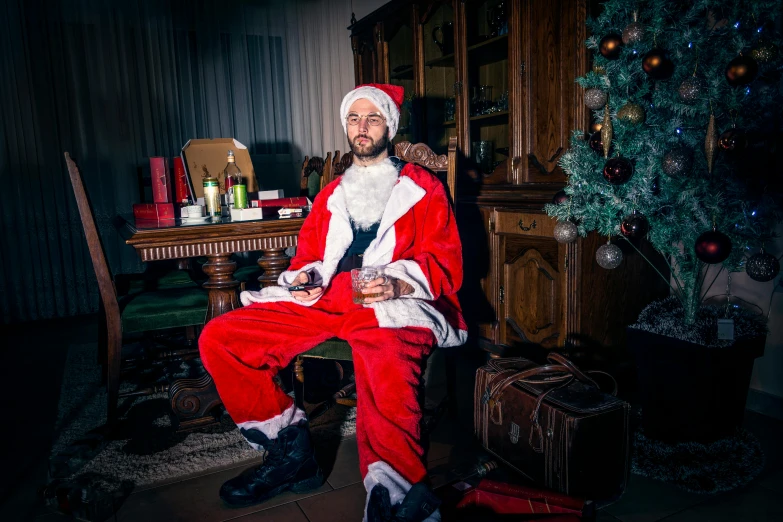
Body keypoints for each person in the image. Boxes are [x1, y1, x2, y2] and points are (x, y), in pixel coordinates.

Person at [199, 83, 466, 522]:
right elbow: (308, 257)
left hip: (394, 300)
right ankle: (289, 454)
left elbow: (446, 262)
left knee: (387, 362)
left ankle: (397, 497)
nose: (362, 128)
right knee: (222, 336)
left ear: (389, 126)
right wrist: (306, 278)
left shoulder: (423, 187)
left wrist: (399, 285)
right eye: (354, 119)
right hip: (332, 297)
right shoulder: (331, 194)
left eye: (373, 118)